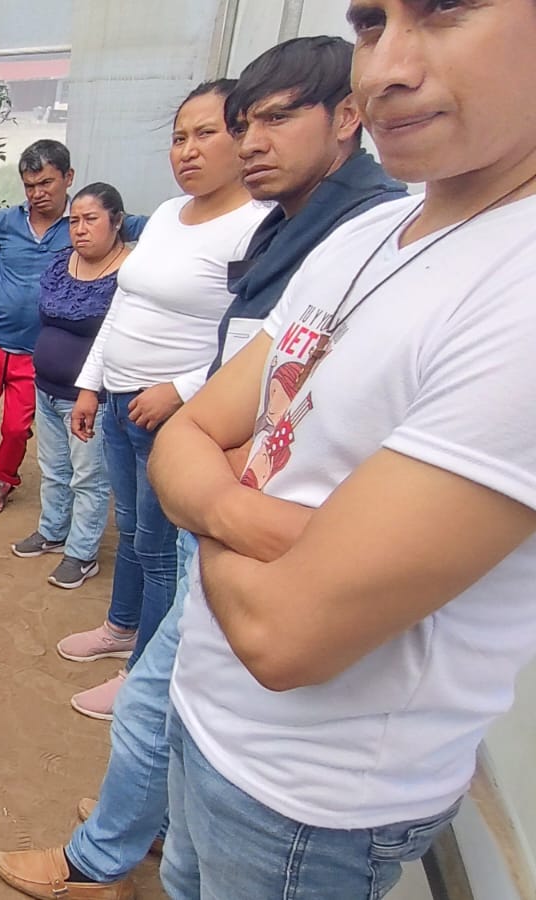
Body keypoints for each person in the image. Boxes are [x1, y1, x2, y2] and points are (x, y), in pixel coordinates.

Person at [0, 35, 407, 900]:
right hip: (201, 483)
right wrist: (166, 420)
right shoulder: (308, 232)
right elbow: (232, 396)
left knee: (152, 701)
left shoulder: (366, 239)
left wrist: (212, 485)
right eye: (238, 123)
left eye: (272, 119)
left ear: (347, 117)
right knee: (162, 660)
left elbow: (270, 421)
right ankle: (147, 825)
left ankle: (95, 860)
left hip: (265, 581)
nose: (247, 141)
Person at [154, 1, 536, 895]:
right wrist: (269, 525)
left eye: (444, 11)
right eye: (371, 25)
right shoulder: (367, 234)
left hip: (310, 800)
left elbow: (288, 636)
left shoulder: (520, 293)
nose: (383, 68)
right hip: (207, 712)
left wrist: (204, 492)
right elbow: (188, 431)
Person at [56, 80, 269, 721]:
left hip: (176, 418)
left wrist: (179, 390)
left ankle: (141, 668)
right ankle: (121, 626)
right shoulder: (172, 215)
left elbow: (262, 340)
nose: (188, 150)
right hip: (121, 399)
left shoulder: (257, 226)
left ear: (243, 136)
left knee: (157, 544)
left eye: (207, 134)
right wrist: (93, 383)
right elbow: (125, 304)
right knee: (132, 527)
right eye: (179, 137)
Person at [0, 141, 146, 516]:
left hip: (35, 347)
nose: (37, 193)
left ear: (68, 177)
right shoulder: (7, 221)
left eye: (46, 183)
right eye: (29, 185)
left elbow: (151, 227)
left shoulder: (80, 222)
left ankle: (3, 479)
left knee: (15, 426)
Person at [9, 183, 130, 590]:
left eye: (90, 219)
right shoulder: (62, 263)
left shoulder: (129, 272)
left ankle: (82, 554)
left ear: (116, 222)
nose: (79, 229)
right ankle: (52, 530)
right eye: (74, 220)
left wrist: (90, 391)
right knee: (55, 470)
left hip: (90, 398)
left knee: (89, 478)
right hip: (45, 387)